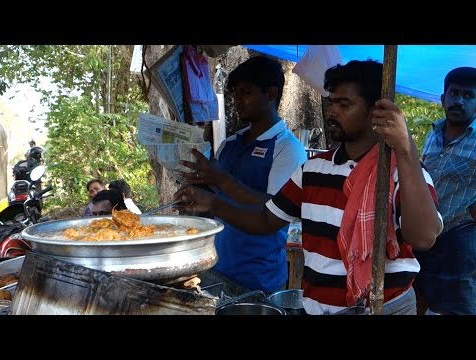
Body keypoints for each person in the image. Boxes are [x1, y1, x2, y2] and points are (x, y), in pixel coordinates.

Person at [174, 60, 443, 315]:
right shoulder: (314, 169)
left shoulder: (401, 171)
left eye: (344, 103)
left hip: (385, 307)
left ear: (377, 111)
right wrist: (213, 204)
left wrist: (405, 149)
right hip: (318, 306)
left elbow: (423, 238)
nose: (332, 111)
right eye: (331, 102)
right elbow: (266, 218)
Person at [178, 55, 307, 295]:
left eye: (246, 92)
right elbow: (213, 197)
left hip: (258, 278)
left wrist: (221, 180)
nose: (237, 100)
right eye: (235, 93)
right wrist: (193, 195)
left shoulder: (288, 149)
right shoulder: (229, 144)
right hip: (214, 266)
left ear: (270, 94)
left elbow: (275, 209)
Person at [413, 67, 476, 315]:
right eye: (454, 93)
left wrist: (470, 215)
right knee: (418, 300)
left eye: (469, 96)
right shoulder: (434, 134)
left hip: (459, 238)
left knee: (457, 308)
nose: (459, 101)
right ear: (443, 98)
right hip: (424, 238)